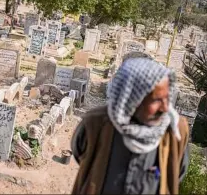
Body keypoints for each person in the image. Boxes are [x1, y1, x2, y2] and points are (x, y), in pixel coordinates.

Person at [71, 58, 189, 195]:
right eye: (156, 100)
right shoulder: (96, 124)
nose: (164, 107)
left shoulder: (175, 131)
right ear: (132, 99)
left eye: (167, 98)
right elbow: (81, 153)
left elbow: (176, 173)